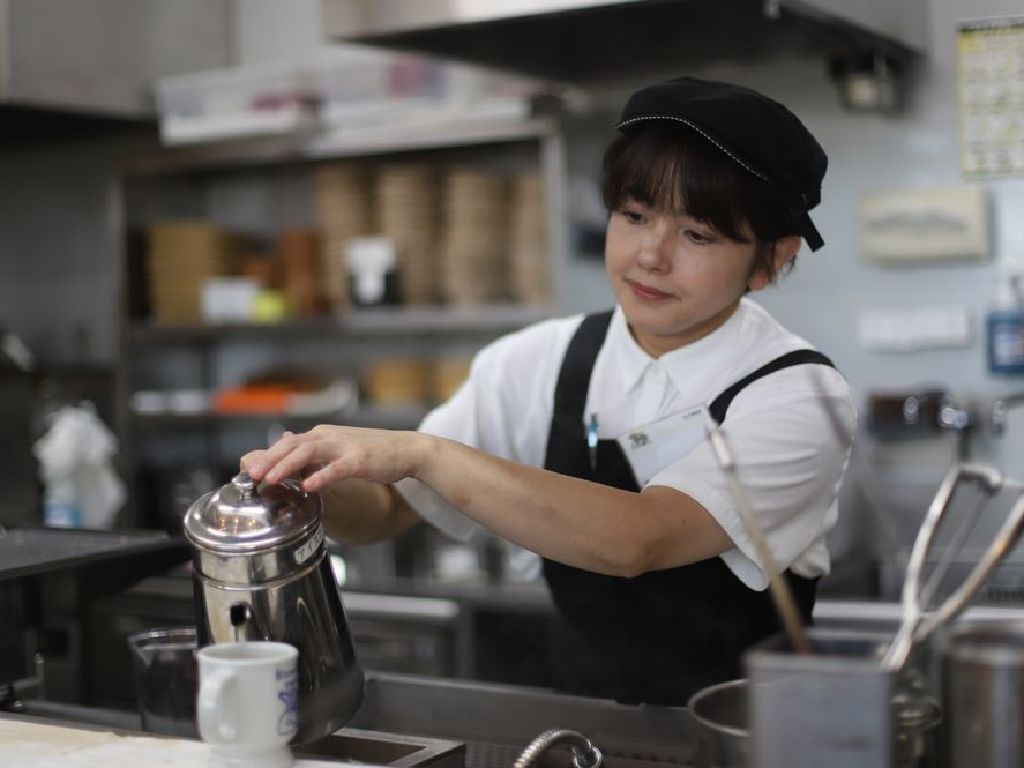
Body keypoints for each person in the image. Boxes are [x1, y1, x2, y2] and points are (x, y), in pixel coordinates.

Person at [242, 75, 855, 707]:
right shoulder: (538, 361)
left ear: (771, 259)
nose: (650, 256)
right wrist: (313, 484)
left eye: (697, 235)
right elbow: (386, 512)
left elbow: (638, 539)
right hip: (589, 732)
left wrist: (425, 451)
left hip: (749, 739)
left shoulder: (799, 394)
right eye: (634, 217)